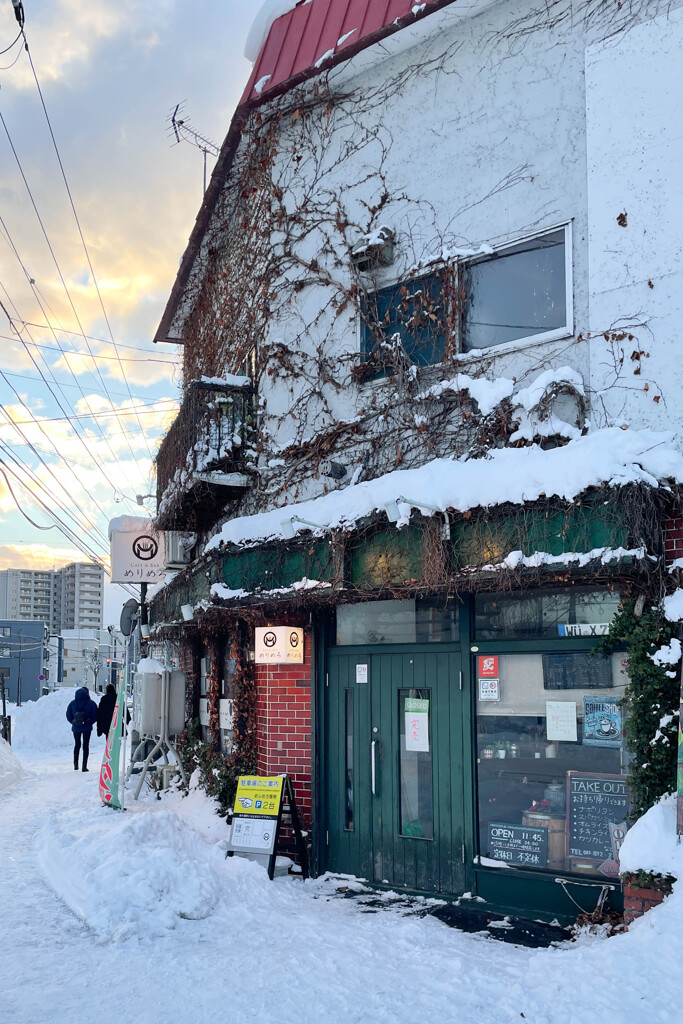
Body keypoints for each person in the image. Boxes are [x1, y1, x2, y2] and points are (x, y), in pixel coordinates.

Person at [66, 686, 98, 772]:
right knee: (85, 745)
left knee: (77, 744)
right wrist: (90, 722)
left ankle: (76, 765)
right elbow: (95, 716)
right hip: (87, 728)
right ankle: (84, 766)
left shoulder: (72, 703)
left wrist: (73, 722)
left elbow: (68, 715)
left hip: (76, 728)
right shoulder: (91, 703)